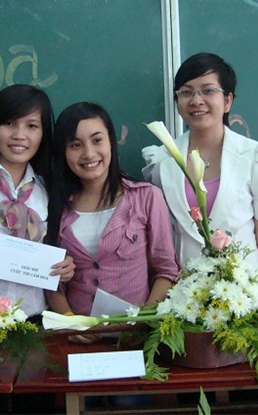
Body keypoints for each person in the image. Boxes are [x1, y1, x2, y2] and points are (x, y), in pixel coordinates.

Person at [142, 52, 258, 286]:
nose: (196, 100)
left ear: (227, 100)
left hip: (245, 292)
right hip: (184, 293)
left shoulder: (255, 157)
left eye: (208, 91)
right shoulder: (161, 161)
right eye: (186, 92)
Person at [45, 101, 180, 343]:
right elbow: (50, 279)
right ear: (63, 152)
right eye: (75, 145)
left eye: (97, 140)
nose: (88, 154)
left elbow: (166, 269)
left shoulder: (146, 196)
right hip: (77, 341)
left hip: (136, 339)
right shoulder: (54, 205)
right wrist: (71, 324)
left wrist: (144, 321)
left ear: (111, 142)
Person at [0, 84, 75, 318]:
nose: (19, 135)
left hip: (35, 319)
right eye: (9, 123)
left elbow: (58, 250)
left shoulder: (50, 191)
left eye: (32, 126)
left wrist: (65, 267)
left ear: (43, 134)